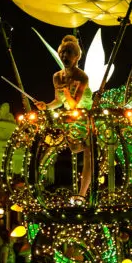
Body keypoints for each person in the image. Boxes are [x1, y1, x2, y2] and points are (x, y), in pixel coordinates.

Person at [34, 34, 93, 199]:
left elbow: (74, 104)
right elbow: (58, 101)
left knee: (89, 153)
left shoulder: (82, 77)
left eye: (68, 53)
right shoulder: (57, 76)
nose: (64, 56)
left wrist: (66, 90)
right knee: (64, 147)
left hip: (85, 117)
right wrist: (45, 106)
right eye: (63, 53)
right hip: (69, 118)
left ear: (76, 57)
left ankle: (82, 194)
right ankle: (37, 186)